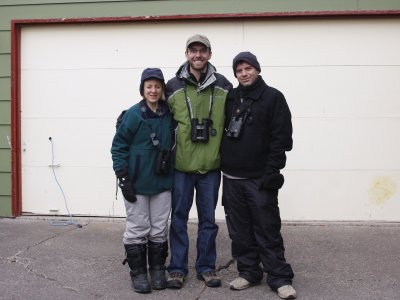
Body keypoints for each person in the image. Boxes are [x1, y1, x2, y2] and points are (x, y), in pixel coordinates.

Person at [220, 52, 296, 299]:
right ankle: (249, 272)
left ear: (258, 69)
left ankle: (280, 277)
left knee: (267, 229)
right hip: (231, 178)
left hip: (259, 179)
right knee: (239, 232)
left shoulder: (273, 97)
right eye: (239, 70)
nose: (244, 73)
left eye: (248, 68)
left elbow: (281, 138)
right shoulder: (230, 97)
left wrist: (271, 172)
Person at [165, 34, 232, 289]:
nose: (198, 55)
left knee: (208, 221)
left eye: (202, 51)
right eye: (193, 51)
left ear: (209, 54)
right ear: (186, 55)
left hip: (211, 167)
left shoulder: (224, 85)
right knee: (179, 218)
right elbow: (156, 113)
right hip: (181, 167)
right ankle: (177, 268)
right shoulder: (171, 86)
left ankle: (206, 267)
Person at [111, 68, 174, 294]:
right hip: (136, 183)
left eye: (157, 86)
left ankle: (157, 269)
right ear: (143, 89)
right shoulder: (133, 114)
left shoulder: (169, 113)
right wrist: (123, 176)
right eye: (149, 86)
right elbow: (118, 147)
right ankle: (138, 273)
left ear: (162, 88)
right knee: (138, 228)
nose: (153, 90)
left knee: (158, 228)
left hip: (163, 182)